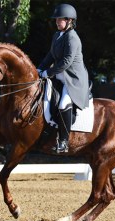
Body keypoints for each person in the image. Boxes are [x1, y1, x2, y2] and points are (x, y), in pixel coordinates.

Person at [37, 3, 90, 153]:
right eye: (56, 19)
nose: (56, 22)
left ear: (69, 21)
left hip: (73, 80)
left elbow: (66, 62)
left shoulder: (72, 38)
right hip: (59, 77)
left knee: (63, 104)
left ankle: (63, 141)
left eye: (59, 19)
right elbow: (50, 56)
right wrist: (40, 68)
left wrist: (48, 73)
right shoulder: (57, 35)